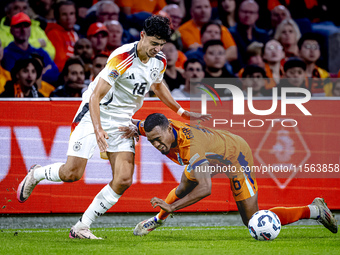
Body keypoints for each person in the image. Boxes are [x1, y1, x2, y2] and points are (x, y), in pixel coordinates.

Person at [16, 15, 210, 239]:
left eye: (161, 45)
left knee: (124, 179)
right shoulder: (122, 57)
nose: (157, 49)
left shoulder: (160, 60)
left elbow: (157, 85)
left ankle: (82, 226)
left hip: (122, 119)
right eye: (153, 43)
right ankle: (37, 173)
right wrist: (98, 130)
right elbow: (96, 96)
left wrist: (181, 111)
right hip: (94, 113)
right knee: (72, 173)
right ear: (142, 36)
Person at [120, 113, 338, 236]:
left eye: (159, 139)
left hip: (236, 156)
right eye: (152, 141)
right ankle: (156, 221)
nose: (157, 145)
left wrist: (174, 207)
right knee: (183, 187)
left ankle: (315, 210)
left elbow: (206, 189)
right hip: (211, 154)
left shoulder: (191, 147)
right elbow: (137, 124)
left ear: (169, 130)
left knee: (253, 221)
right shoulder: (156, 129)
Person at [2, 12, 59, 85]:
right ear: (11, 30)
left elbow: (55, 74)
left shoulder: (40, 52)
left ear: (30, 29)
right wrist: (42, 71)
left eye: (26, 25)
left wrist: (28, 75)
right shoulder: (7, 53)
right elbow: (14, 78)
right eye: (18, 26)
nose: (23, 29)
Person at [228, 0, 269, 72]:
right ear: (238, 13)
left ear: (257, 15)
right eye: (244, 12)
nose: (247, 15)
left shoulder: (263, 35)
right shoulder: (230, 34)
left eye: (251, 12)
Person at [45, 0, 79, 72]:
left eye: (71, 14)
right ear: (57, 17)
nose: (68, 18)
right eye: (64, 14)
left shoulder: (74, 33)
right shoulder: (53, 33)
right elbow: (59, 62)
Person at [298, 32, 332, 97]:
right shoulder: (294, 74)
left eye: (315, 47)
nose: (312, 50)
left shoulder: (324, 75)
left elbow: (328, 97)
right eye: (307, 47)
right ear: (299, 51)